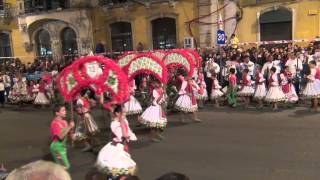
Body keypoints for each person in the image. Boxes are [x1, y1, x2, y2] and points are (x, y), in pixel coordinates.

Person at [96, 105, 137, 178]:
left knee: (124, 167)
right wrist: (121, 124)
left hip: (123, 146)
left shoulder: (125, 120)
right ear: (117, 113)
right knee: (117, 168)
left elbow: (128, 131)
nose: (125, 114)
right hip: (116, 147)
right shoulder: (114, 123)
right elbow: (123, 136)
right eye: (123, 112)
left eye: (125, 112)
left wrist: (131, 134)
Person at [50, 105, 75, 170]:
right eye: (63, 110)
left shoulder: (65, 122)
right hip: (56, 148)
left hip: (63, 147)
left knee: (63, 167)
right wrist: (69, 127)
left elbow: (69, 134)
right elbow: (60, 137)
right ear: (57, 113)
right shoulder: (55, 124)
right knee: (64, 167)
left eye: (65, 110)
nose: (65, 112)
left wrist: (73, 135)